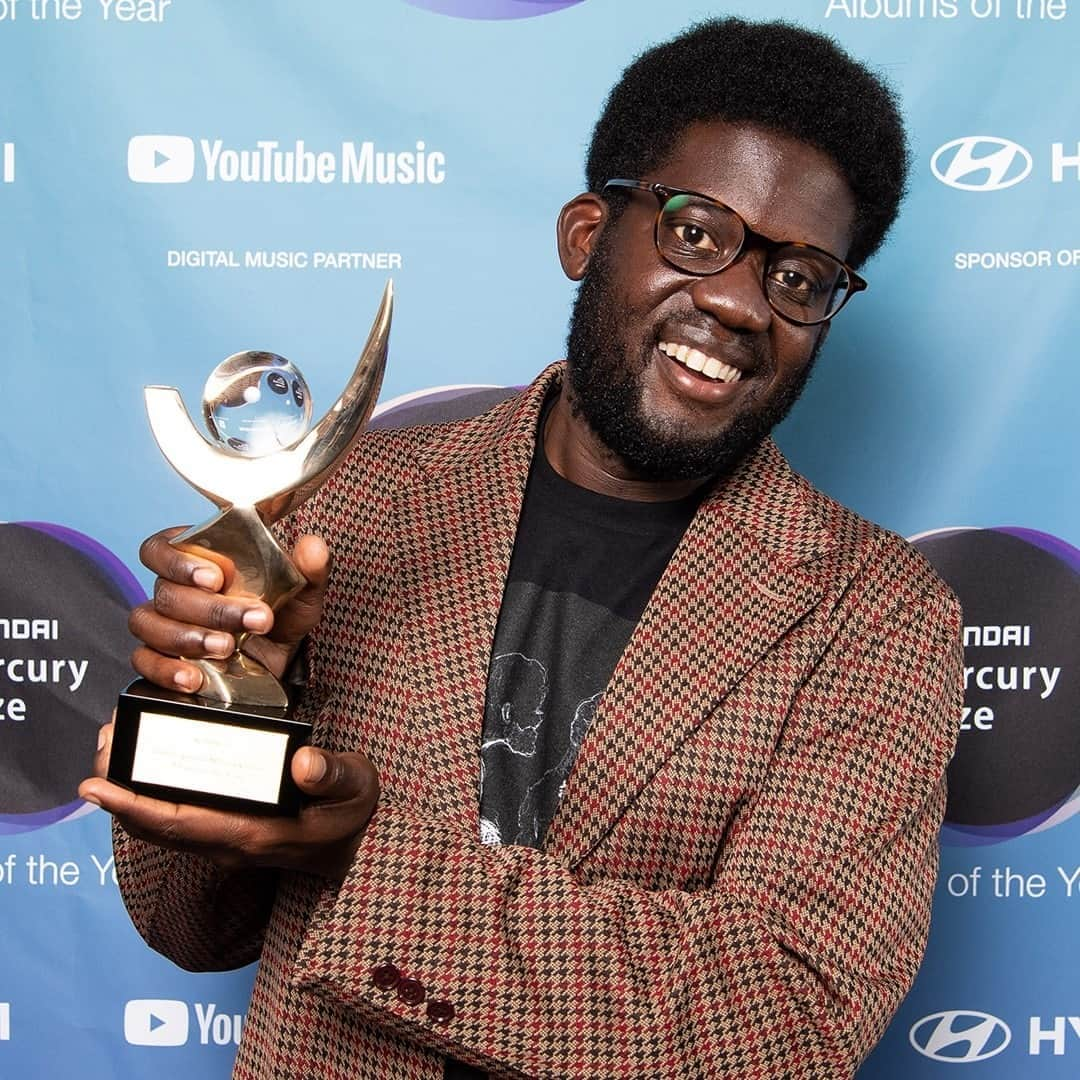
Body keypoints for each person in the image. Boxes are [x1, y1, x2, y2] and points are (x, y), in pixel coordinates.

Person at [80, 17, 962, 1080]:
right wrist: (219, 696)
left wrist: (368, 859)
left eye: (801, 278)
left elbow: (783, 1016)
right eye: (696, 232)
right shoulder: (351, 505)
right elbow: (188, 928)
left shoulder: (876, 614)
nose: (737, 300)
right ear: (589, 233)